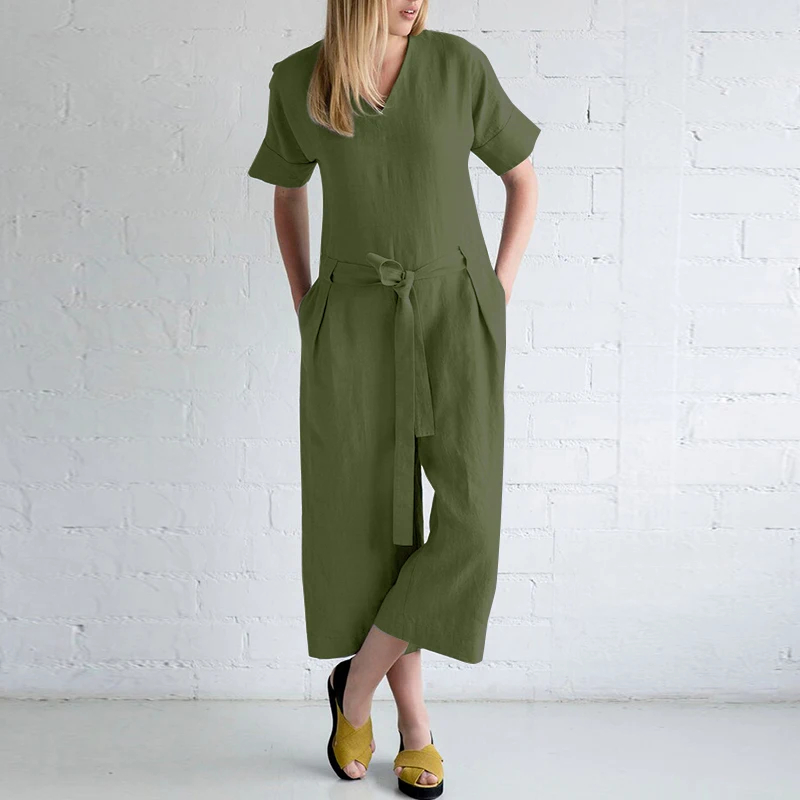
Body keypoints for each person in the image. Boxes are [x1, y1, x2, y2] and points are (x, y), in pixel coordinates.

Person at [247, 0, 540, 795]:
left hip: (456, 311)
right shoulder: (301, 81)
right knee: (375, 527)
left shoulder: (458, 67)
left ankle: (357, 685)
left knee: (470, 521)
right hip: (352, 320)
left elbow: (521, 180)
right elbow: (286, 194)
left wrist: (495, 292)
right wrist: (308, 305)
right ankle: (415, 725)